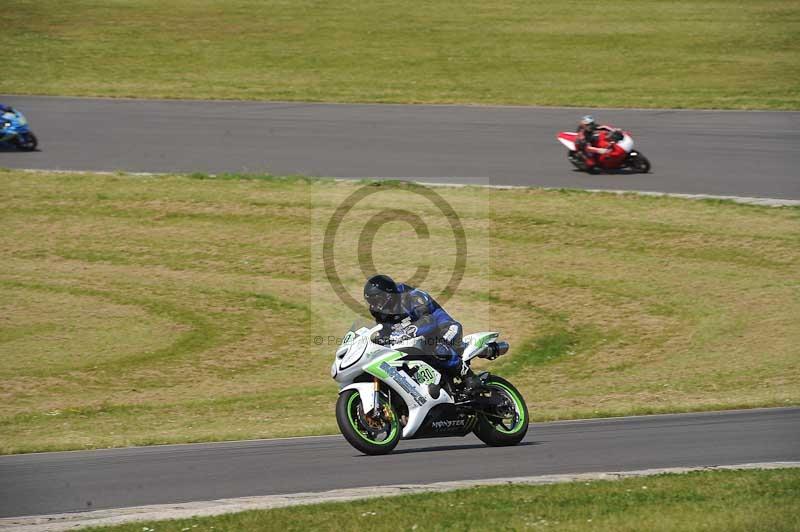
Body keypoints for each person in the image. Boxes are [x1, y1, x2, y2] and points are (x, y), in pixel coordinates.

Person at [363, 274, 480, 393]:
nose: (375, 305)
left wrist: (407, 332)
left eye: (377, 300)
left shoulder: (411, 296)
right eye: (371, 301)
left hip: (444, 327)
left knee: (436, 346)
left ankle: (469, 376)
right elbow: (384, 330)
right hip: (416, 335)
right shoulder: (378, 311)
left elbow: (429, 321)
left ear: (388, 294)